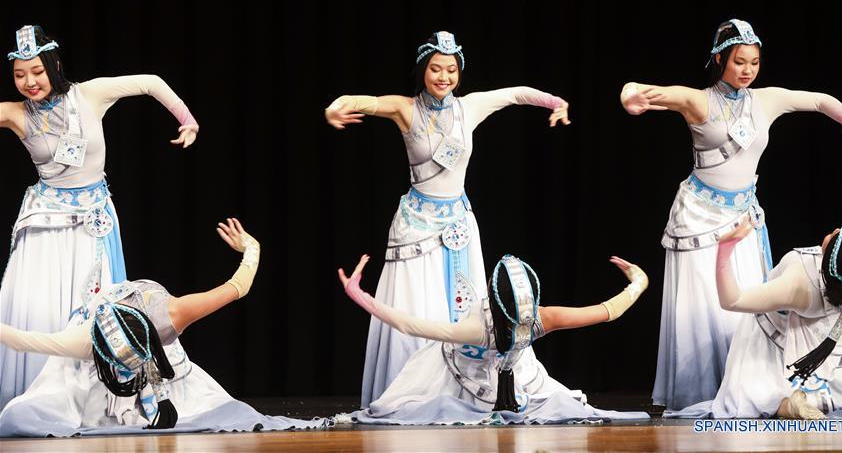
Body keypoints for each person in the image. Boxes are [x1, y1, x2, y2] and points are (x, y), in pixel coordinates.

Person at [620, 18, 842, 411]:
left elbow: (819, 100)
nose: (748, 70)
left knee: (745, 312)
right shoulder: (699, 100)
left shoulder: (766, 100)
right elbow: (641, 89)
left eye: (754, 62)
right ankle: (699, 394)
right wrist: (631, 97)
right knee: (702, 313)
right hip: (700, 218)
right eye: (739, 62)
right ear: (720, 59)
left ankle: (745, 390)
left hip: (743, 219)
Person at [325, 30, 571, 406]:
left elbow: (515, 94)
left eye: (451, 70)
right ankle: (408, 395)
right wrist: (336, 106)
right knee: (416, 308)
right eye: (436, 69)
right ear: (423, 70)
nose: (444, 77)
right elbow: (366, 102)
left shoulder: (468, 108)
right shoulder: (406, 109)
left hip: (459, 225)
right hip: (416, 226)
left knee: (462, 310)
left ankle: (462, 388)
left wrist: (556, 102)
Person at [0, 25, 199, 408]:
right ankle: (36, 401)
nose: (29, 82)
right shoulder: (15, 113)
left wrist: (186, 118)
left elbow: (150, 82)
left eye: (37, 71)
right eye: (20, 74)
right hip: (45, 225)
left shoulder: (89, 95)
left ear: (55, 65)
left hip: (92, 222)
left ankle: (97, 402)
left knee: (96, 311)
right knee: (40, 308)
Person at [0, 218, 325, 435]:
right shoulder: (85, 340)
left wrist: (252, 246)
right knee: (35, 410)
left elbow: (238, 287)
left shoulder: (171, 315)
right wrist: (252, 249)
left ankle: (147, 395)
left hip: (143, 349)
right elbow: (21, 339)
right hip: (97, 357)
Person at [337, 253, 651, 424]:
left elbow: (409, 325)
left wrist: (358, 294)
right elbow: (609, 311)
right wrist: (639, 280)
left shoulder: (476, 330)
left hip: (462, 378)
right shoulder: (542, 318)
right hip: (513, 377)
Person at [668, 204, 842, 419]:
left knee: (756, 396)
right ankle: (810, 399)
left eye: (836, 235)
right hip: (823, 350)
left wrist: (724, 251)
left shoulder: (800, 283)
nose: (836, 229)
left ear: (827, 254)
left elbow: (733, 300)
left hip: (776, 349)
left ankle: (785, 403)